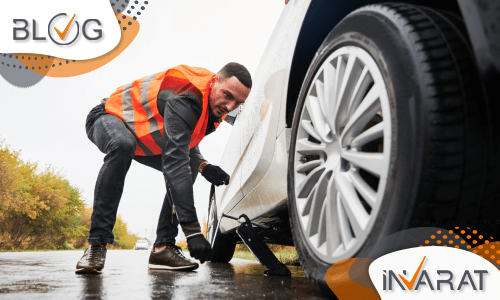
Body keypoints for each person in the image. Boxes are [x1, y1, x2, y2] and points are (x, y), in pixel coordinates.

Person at [75, 63, 252, 274]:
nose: (230, 107)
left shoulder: (214, 106)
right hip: (107, 117)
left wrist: (203, 166)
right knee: (123, 146)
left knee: (187, 165)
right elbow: (174, 163)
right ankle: (96, 244)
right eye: (227, 95)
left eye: (238, 103)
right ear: (214, 81)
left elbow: (185, 143)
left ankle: (163, 248)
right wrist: (192, 231)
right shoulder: (186, 95)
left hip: (143, 138)